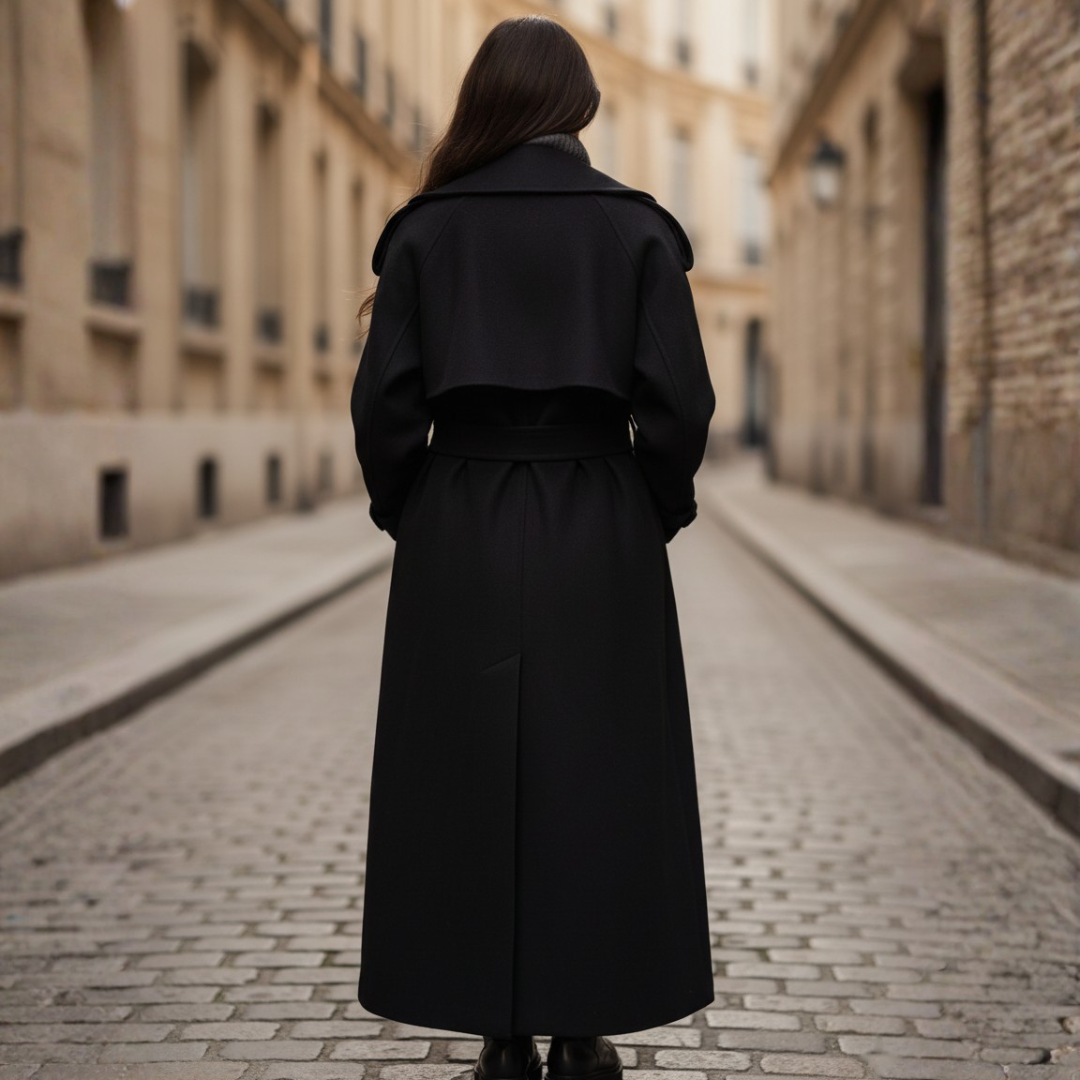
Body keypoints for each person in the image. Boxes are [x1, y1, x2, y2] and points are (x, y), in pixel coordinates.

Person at [350, 15, 716, 1080]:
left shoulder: (422, 230)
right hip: (600, 516)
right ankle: (581, 1026)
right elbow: (682, 408)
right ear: (578, 106)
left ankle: (498, 1035)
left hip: (457, 520)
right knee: (597, 775)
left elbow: (383, 410)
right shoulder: (639, 230)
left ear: (485, 101)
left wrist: (416, 509)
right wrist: (646, 505)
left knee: (463, 778)